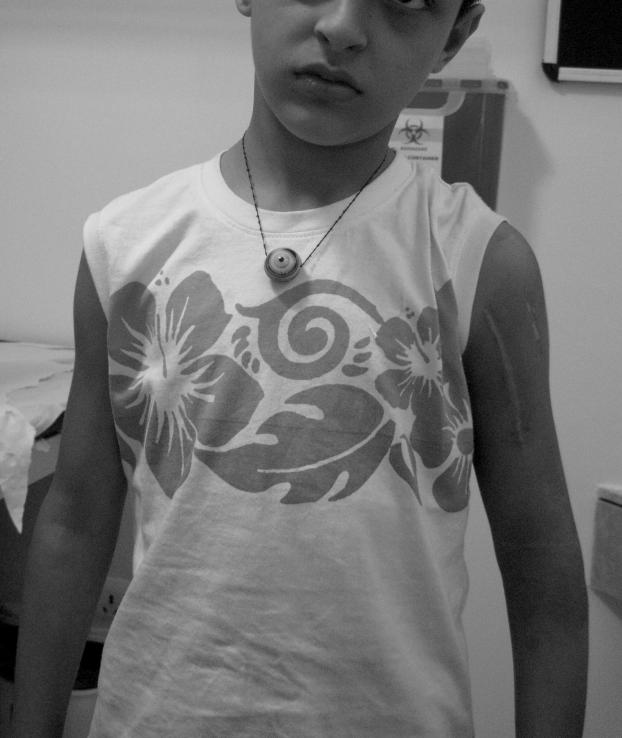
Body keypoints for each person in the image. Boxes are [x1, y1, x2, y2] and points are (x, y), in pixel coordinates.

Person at [12, 0, 588, 736]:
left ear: (454, 34)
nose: (343, 26)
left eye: (405, 1)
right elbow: (75, 520)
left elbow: (543, 573)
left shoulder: (480, 263)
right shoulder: (125, 246)